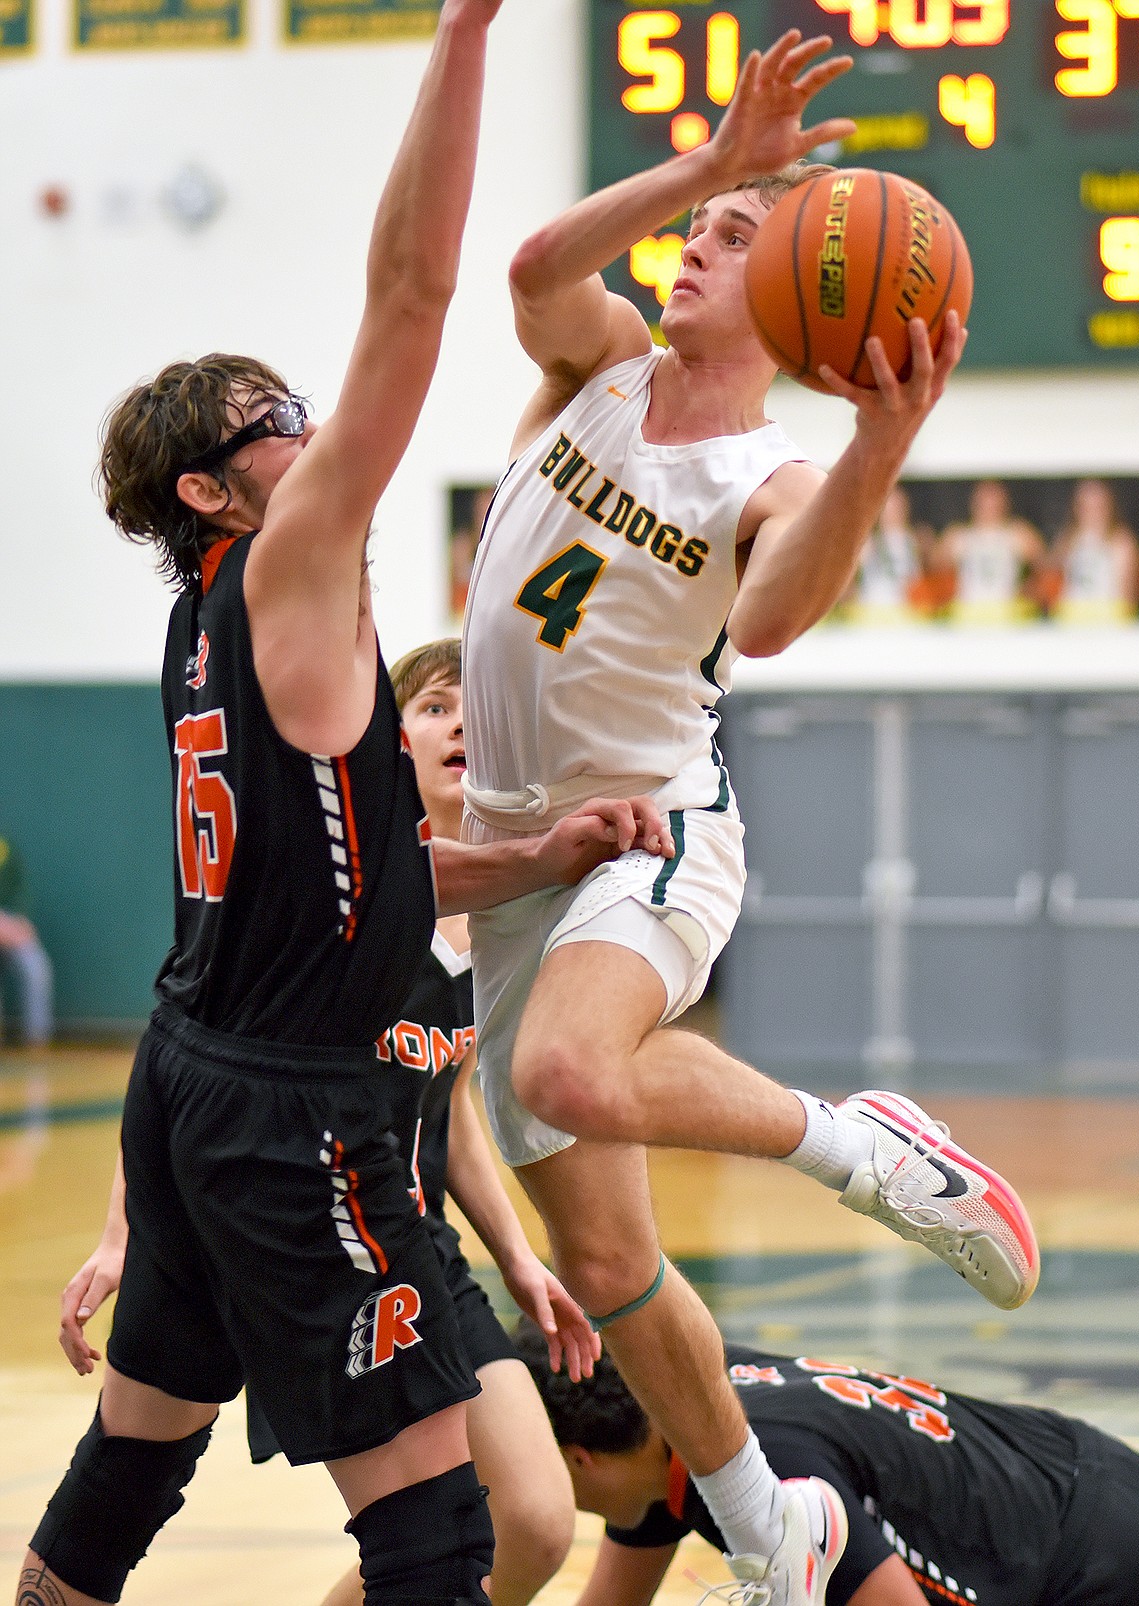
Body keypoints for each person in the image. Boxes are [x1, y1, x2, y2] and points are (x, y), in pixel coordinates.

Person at [18, 7, 672, 1604]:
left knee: (135, 1454)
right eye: (274, 426)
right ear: (210, 488)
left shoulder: (211, 630)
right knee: (445, 1532)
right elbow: (415, 290)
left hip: (194, 1075)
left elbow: (355, 873)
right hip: (291, 1109)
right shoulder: (290, 570)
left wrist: (536, 850)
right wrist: (462, 34)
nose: (314, 435)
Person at [459, 27, 1040, 1604]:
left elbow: (775, 613)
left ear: (792, 305)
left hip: (653, 829)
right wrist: (712, 162)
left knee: (569, 1065)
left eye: (734, 237)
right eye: (698, 227)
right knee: (604, 1265)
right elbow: (525, 265)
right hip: (509, 857)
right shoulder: (598, 363)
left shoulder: (769, 468)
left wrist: (883, 446)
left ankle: (860, 1143)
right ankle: (766, 1527)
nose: (700, 241)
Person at [61, 637, 580, 1606]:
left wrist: (518, 1255)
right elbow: (194, 1048)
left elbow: (450, 1104)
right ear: (387, 744)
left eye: (478, 707)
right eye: (432, 706)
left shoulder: (509, 923)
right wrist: (119, 1233)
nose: (461, 721)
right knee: (414, 1526)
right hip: (302, 1221)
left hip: (419, 1240)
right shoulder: (337, 896)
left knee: (538, 1521)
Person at [516, 1324, 1139, 1606]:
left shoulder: (769, 1473)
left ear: (579, 1459)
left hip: (1096, 1567)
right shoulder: (669, 1412)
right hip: (1081, 1472)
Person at [931, 479, 1046, 625]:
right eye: (984, 498)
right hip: (968, 613)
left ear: (1004, 501)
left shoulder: (1018, 533)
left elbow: (1045, 567)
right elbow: (932, 568)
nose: (989, 504)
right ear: (974, 502)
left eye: (994, 498)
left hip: (1007, 613)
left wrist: (1028, 588)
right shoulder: (959, 535)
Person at [1047, 477, 1139, 625]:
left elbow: (1127, 596)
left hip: (1108, 617)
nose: (1092, 512)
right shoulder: (1068, 539)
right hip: (1072, 616)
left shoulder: (1121, 541)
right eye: (1086, 506)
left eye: (1098, 506)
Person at [844, 486, 934, 625]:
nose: (892, 511)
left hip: (907, 614)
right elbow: (849, 579)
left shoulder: (916, 540)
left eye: (897, 505)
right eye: (888, 505)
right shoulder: (869, 542)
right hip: (874, 612)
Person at [0, 831, 54, 1050]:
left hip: (9, 924)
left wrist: (19, 920)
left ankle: (37, 1040)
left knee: (36, 965)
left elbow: (19, 893)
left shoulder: (5, 847)